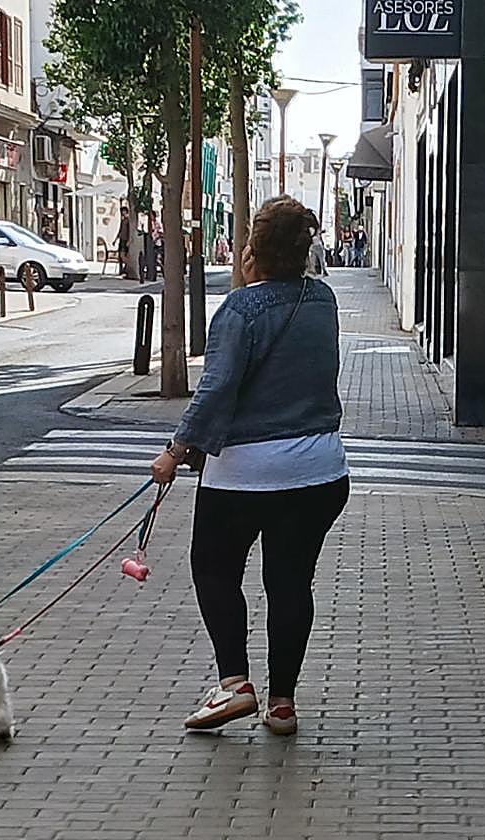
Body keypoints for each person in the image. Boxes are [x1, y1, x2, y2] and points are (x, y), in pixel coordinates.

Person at [150, 196, 349, 736]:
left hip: (244, 473)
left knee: (214, 571)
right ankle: (282, 703)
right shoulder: (324, 301)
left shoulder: (239, 310)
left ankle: (235, 684)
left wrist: (176, 449)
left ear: (253, 253)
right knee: (290, 583)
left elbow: (216, 389)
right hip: (319, 471)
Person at [115, 205, 132, 275]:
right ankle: (123, 268)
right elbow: (120, 230)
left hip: (125, 239)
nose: (122, 213)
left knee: (123, 255)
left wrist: (129, 240)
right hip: (121, 239)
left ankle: (128, 266)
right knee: (121, 255)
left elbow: (129, 231)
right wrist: (116, 239)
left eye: (123, 211)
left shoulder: (128, 220)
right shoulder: (123, 220)